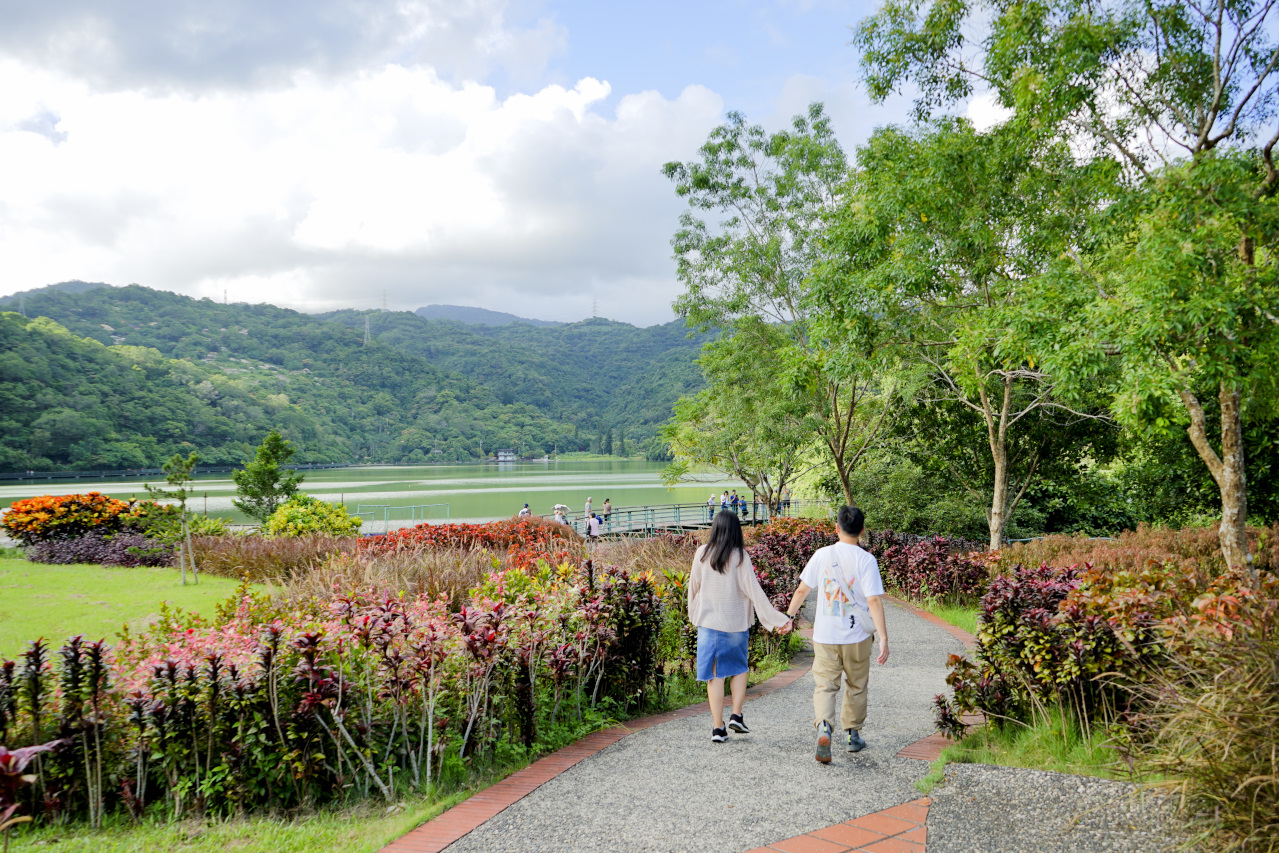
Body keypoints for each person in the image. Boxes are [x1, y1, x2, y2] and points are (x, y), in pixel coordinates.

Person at [784, 506, 889, 763]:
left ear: (836, 528)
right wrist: (884, 637)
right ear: (862, 530)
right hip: (857, 637)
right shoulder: (866, 560)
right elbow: (874, 600)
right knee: (856, 684)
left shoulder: (822, 555)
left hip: (825, 636)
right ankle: (852, 736)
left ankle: (824, 728)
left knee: (825, 685)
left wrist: (789, 617)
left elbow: (801, 591)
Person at [688, 510, 793, 743]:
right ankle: (736, 714)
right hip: (735, 624)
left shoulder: (702, 554)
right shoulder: (740, 556)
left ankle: (718, 729)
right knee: (739, 668)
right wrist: (778, 620)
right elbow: (754, 591)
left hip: (708, 624)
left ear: (715, 528)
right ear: (736, 531)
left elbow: (693, 587)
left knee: (715, 677)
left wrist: (693, 614)